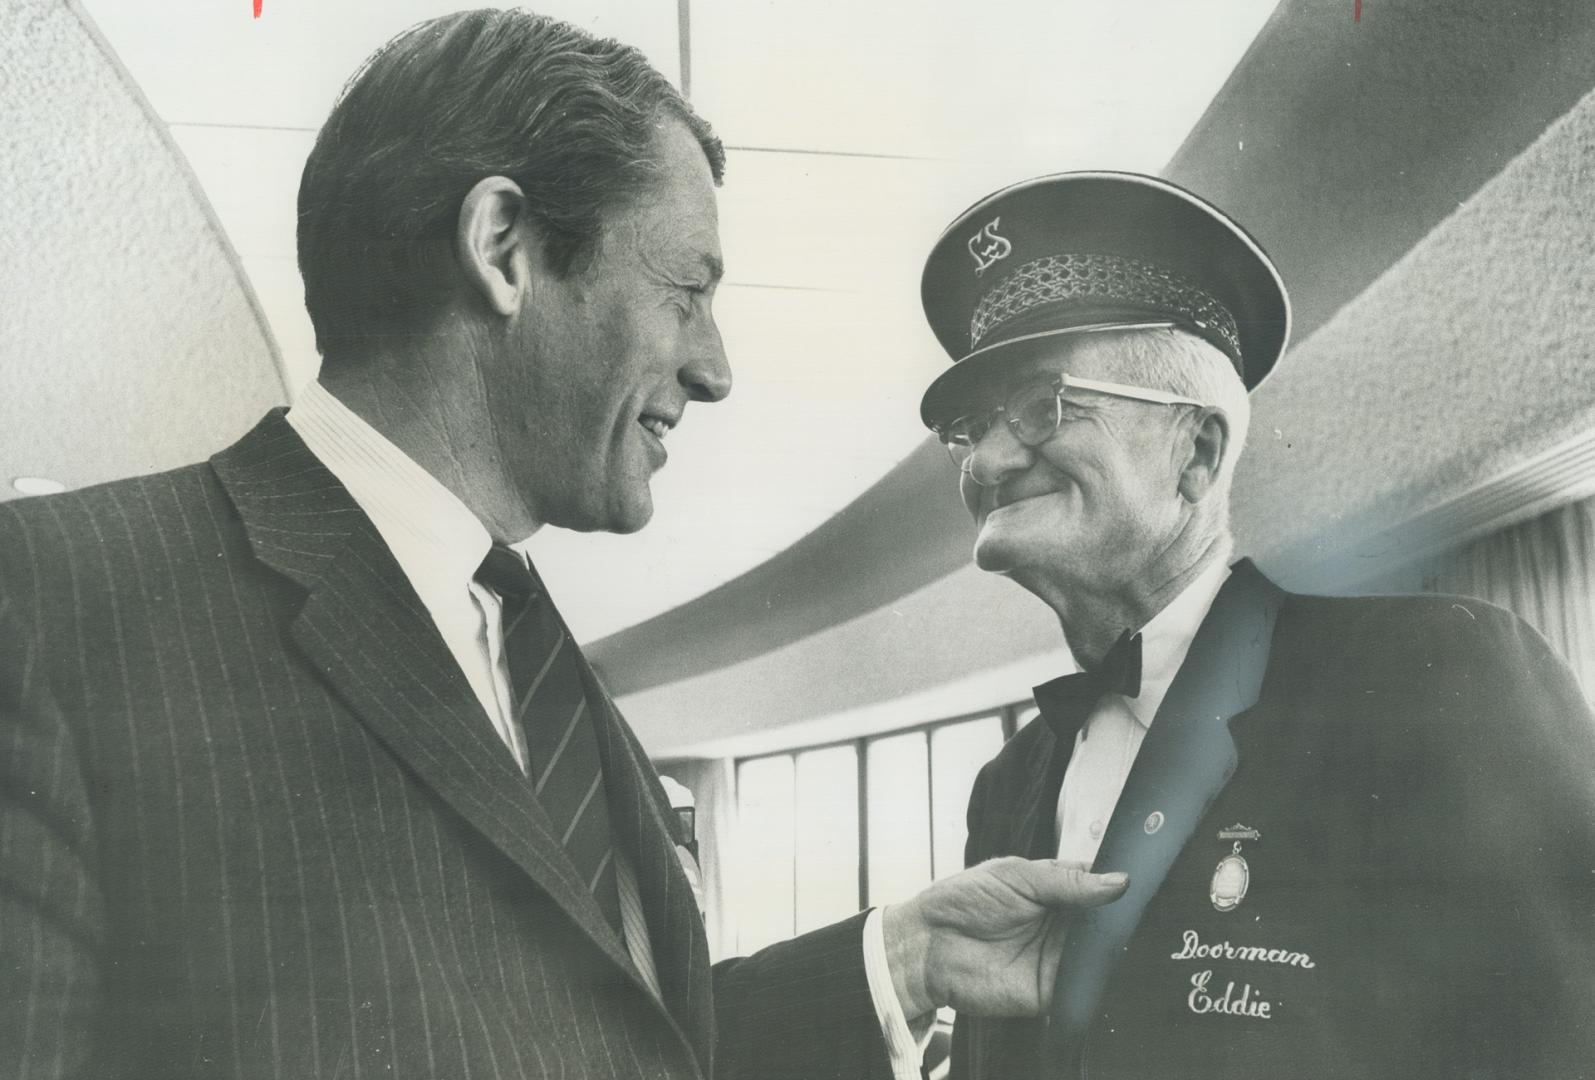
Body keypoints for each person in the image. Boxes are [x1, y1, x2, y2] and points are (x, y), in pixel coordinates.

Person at [0, 13, 1128, 1080]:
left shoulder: (537, 668)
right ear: (503, 248)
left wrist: (902, 959)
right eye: (686, 290)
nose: (714, 368)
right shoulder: (48, 604)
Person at [917, 171, 1595, 1080]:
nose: (990, 459)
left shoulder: (1437, 676)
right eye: (971, 424)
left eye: (1041, 406)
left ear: (1194, 453)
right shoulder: (1005, 784)